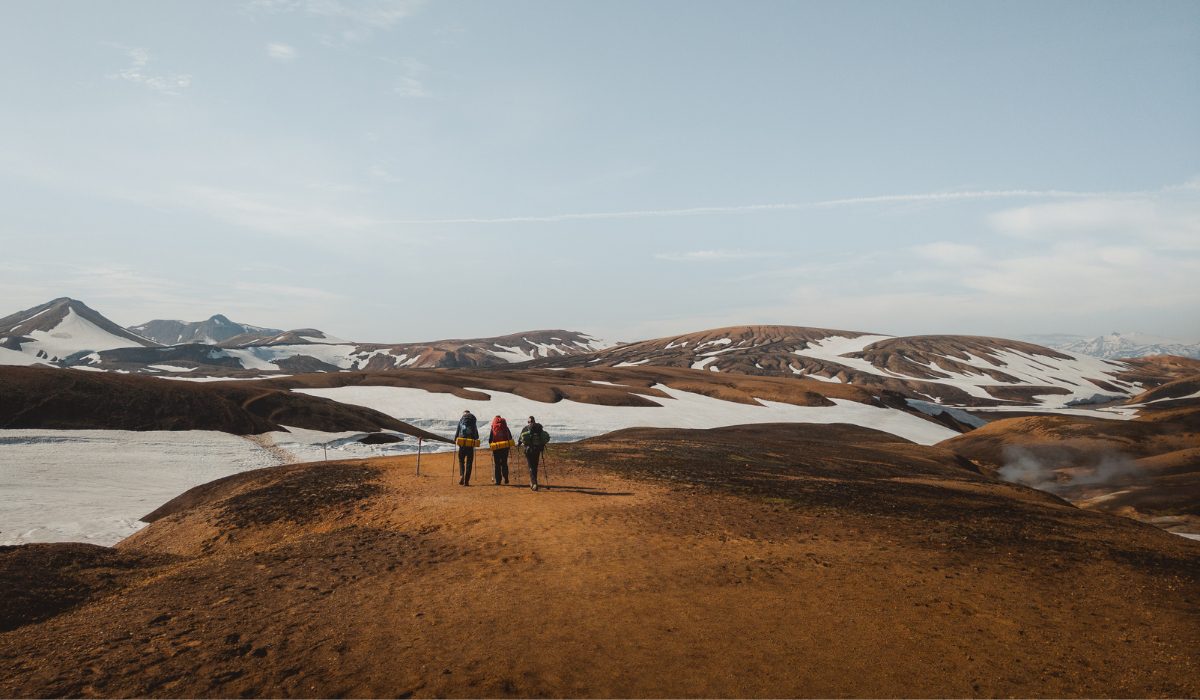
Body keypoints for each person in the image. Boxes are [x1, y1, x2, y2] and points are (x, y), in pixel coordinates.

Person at [517, 416, 550, 492]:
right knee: (535, 466)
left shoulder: (525, 428)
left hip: (528, 450)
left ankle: (534, 483)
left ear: (528, 422)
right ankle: (533, 482)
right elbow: (543, 438)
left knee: (531, 466)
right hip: (537, 450)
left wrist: (519, 444)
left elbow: (520, 439)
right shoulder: (539, 428)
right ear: (534, 421)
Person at [453, 410, 479, 486]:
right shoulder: (473, 422)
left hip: (462, 444)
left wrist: (456, 440)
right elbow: (477, 436)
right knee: (469, 463)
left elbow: (457, 433)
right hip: (470, 444)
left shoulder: (461, 421)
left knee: (461, 461)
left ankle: (462, 475)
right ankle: (466, 481)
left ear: (464, 414)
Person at [488, 415, 514, 485]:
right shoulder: (505, 427)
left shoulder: (493, 427)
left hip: (496, 447)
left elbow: (490, 439)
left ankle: (498, 481)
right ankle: (506, 478)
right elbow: (510, 437)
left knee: (497, 464)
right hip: (505, 447)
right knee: (504, 463)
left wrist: (491, 445)